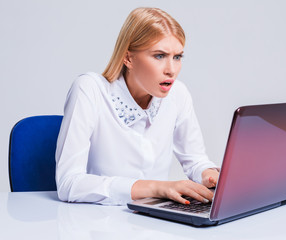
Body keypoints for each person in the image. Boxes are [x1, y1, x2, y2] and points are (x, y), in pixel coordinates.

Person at [55, 7, 219, 206]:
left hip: (155, 222)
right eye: (159, 56)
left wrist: (210, 176)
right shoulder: (90, 90)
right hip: (96, 223)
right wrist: (157, 188)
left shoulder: (178, 94)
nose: (171, 70)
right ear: (128, 58)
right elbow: (69, 183)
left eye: (177, 57)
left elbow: (196, 160)